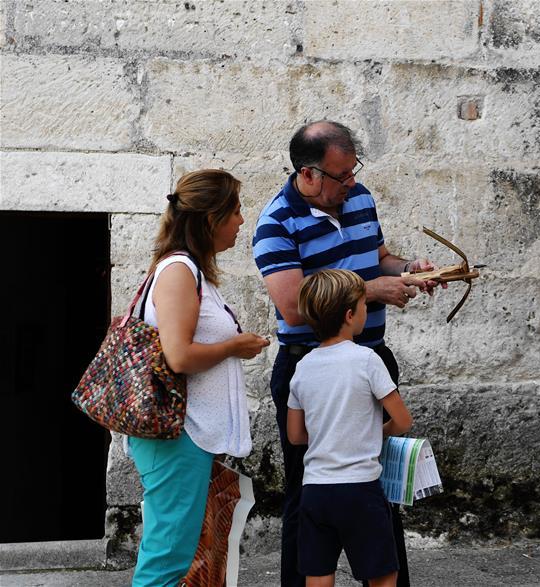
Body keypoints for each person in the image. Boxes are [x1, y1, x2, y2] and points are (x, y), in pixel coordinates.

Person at [253, 120, 442, 586]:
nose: (352, 183)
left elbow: (378, 256)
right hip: (309, 365)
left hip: (372, 357)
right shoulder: (275, 222)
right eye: (342, 176)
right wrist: (371, 289)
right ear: (308, 174)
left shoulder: (359, 198)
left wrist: (407, 269)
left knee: (381, 484)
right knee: (306, 488)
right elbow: (294, 307)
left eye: (354, 170)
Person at [129, 169, 270, 587]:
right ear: (211, 218)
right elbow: (178, 356)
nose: (242, 222)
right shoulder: (178, 271)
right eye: (237, 211)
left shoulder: (190, 271)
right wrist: (234, 347)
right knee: (167, 560)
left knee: (182, 555)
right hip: (177, 436)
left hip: (188, 437)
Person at [286, 269, 413, 587]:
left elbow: (295, 435)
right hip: (360, 490)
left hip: (315, 491)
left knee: (318, 574)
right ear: (349, 315)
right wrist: (377, 432)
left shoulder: (302, 367)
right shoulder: (368, 360)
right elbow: (402, 420)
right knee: (383, 575)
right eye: (363, 307)